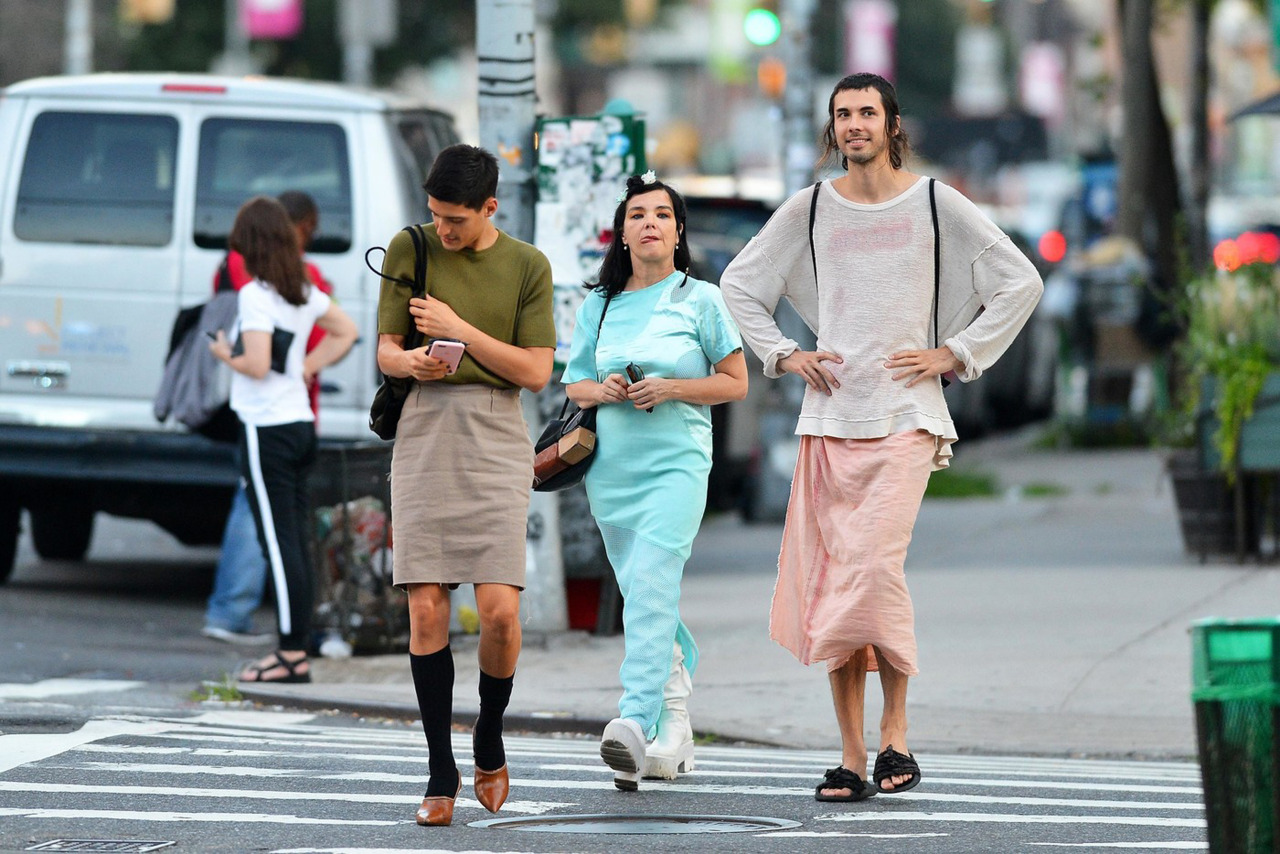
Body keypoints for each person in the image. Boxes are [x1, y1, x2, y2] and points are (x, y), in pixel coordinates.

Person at [720, 73, 1043, 802]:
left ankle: (896, 732)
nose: (855, 124)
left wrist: (955, 353)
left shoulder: (936, 203)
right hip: (832, 419)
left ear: (893, 125)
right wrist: (783, 354)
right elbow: (740, 284)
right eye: (843, 115)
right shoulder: (807, 211)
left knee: (872, 568)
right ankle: (851, 752)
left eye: (868, 112)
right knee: (840, 581)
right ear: (832, 131)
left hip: (908, 415)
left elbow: (1019, 281)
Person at [375, 144, 556, 827]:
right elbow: (385, 349)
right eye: (435, 216)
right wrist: (414, 360)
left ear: (489, 208)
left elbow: (536, 372)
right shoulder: (409, 248)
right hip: (425, 427)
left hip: (495, 433)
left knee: (502, 612)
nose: (443, 231)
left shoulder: (527, 266)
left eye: (455, 219)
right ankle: (438, 770)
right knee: (426, 609)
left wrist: (459, 332)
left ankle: (488, 730)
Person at [562, 171, 748, 791]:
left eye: (662, 215)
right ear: (621, 232)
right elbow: (575, 383)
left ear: (678, 231)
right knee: (646, 597)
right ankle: (676, 736)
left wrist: (670, 388)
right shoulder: (600, 304)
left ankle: (635, 722)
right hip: (612, 470)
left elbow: (734, 382)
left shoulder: (701, 299)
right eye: (638, 214)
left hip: (677, 464)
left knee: (648, 584)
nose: (650, 223)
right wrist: (606, 389)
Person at [208, 196, 358, 683]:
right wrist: (308, 367)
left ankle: (291, 655)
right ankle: (295, 648)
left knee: (279, 542)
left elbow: (254, 363)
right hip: (298, 423)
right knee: (293, 540)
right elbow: (347, 330)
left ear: (250, 244)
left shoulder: (255, 294)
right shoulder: (301, 290)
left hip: (264, 427)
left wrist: (221, 353)